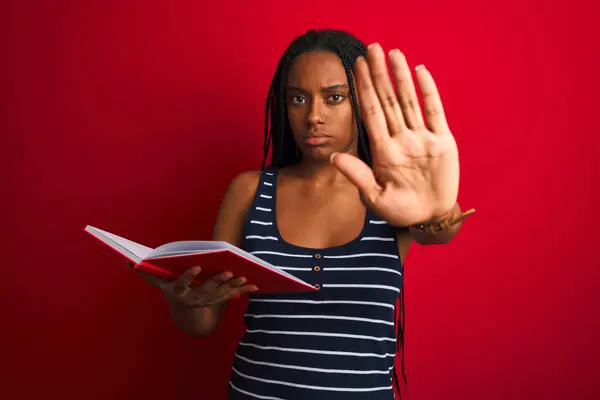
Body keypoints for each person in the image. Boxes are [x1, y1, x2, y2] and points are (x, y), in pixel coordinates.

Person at [134, 29, 474, 400]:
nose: (313, 116)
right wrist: (181, 300)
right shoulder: (250, 190)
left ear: (362, 102)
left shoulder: (391, 192)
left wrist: (434, 210)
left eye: (334, 98)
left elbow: (437, 230)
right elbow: (203, 322)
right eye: (298, 99)